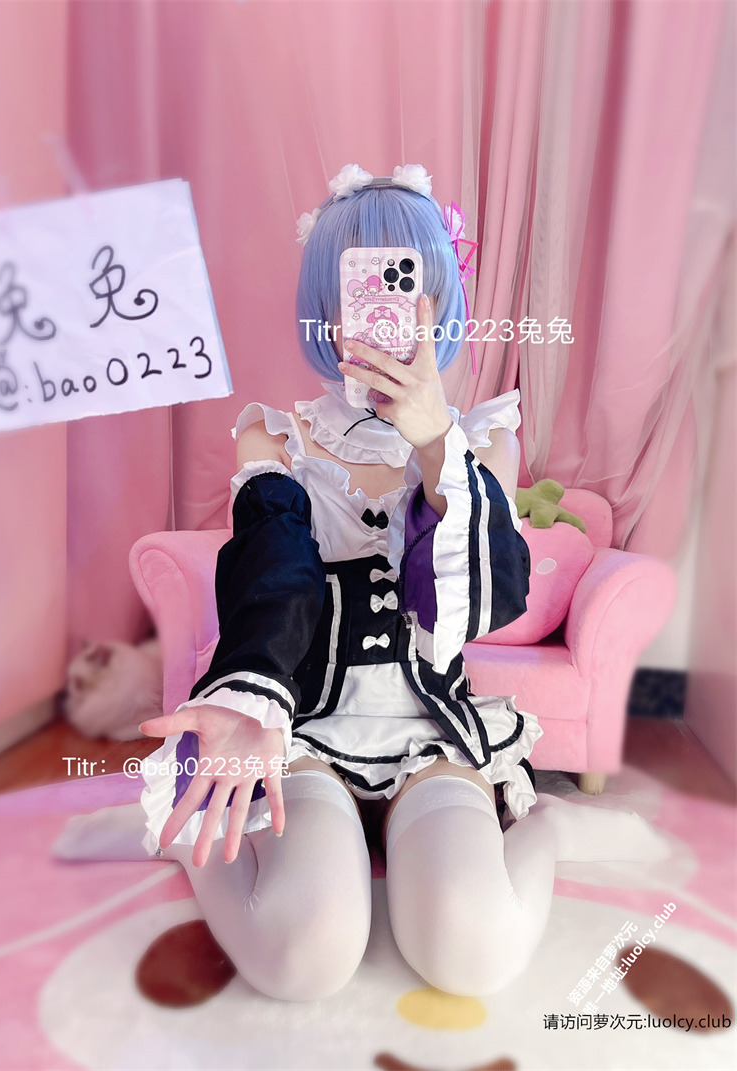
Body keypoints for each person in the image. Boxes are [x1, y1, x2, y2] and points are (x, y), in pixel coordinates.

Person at [54, 164, 668, 1002]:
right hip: (309, 723)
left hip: (429, 729)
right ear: (327, 303)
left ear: (441, 299)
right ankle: (186, 824)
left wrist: (436, 444)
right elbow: (274, 571)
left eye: (407, 283)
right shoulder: (278, 439)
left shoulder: (484, 441)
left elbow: (474, 608)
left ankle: (550, 828)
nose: (383, 309)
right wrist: (249, 694)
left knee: (473, 949)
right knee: (300, 954)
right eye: (360, 284)